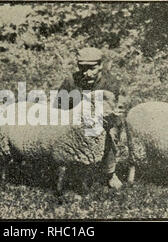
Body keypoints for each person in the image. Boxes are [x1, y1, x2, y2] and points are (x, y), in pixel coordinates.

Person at [54, 47, 124, 189]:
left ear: (100, 65)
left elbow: (109, 111)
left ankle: (110, 172)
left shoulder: (110, 83)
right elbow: (59, 106)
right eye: (83, 68)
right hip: (75, 122)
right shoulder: (71, 82)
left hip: (102, 122)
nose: (87, 73)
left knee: (106, 134)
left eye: (92, 68)